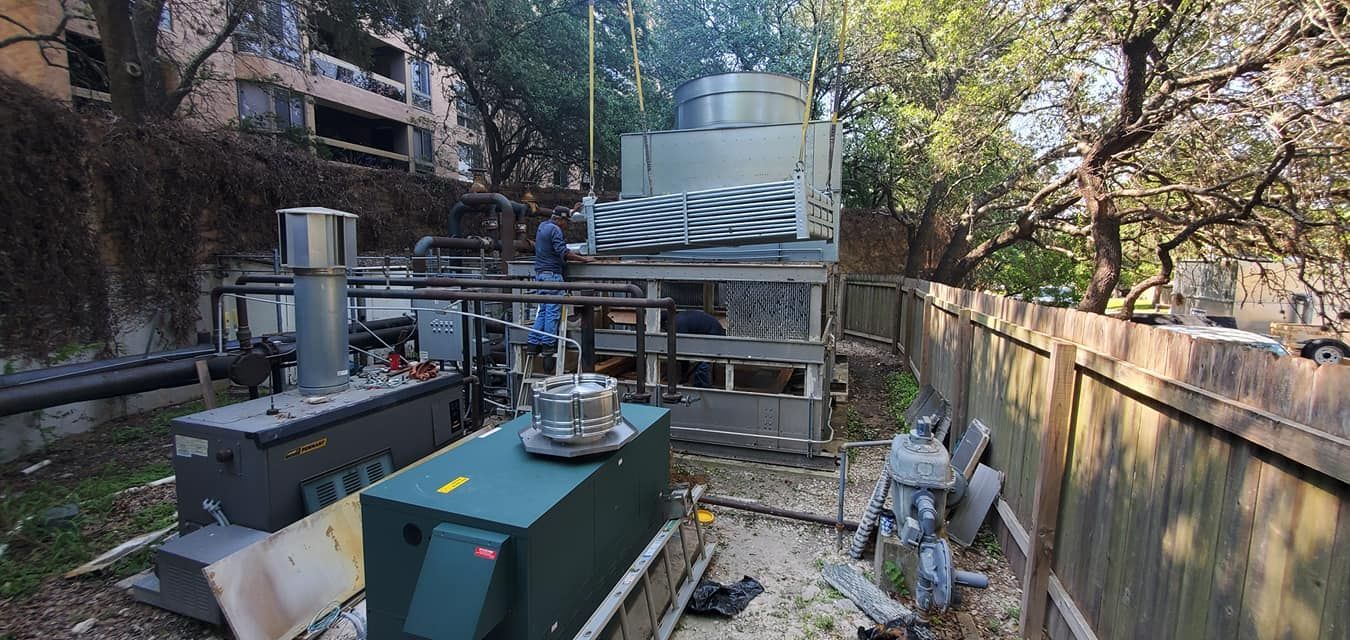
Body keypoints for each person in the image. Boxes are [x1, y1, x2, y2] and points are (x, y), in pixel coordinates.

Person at [528, 206, 593, 354]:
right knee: (552, 312)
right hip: (552, 276)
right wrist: (584, 259)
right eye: (566, 221)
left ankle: (533, 344)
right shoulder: (555, 230)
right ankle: (548, 346)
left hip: (540, 275)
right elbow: (563, 252)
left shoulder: (543, 226)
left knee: (543, 311)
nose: (567, 225)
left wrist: (572, 210)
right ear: (559, 220)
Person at [673, 309, 725, 387]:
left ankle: (702, 386)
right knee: (702, 359)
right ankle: (697, 382)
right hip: (710, 330)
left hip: (712, 332)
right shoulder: (678, 319)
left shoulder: (678, 324)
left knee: (705, 360)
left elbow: (683, 348)